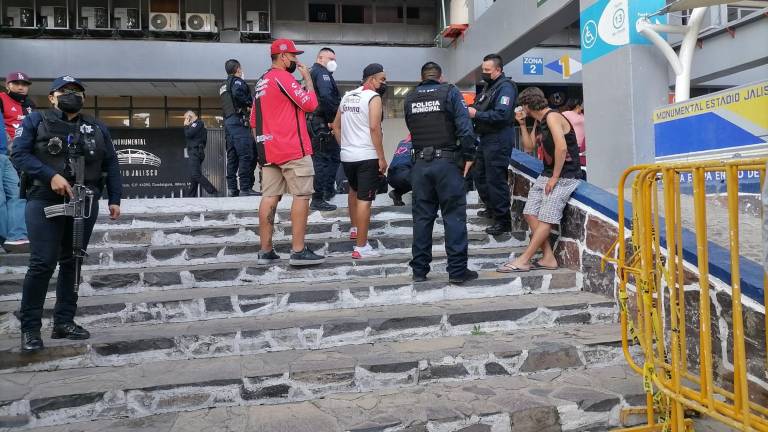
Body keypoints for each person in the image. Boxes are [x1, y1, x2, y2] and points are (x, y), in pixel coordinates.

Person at [12, 76, 122, 352]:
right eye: (64, 91)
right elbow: (20, 155)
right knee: (42, 263)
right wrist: (51, 176)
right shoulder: (35, 121)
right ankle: (30, 329)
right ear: (51, 97)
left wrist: (115, 198)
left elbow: (111, 161)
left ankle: (64, 322)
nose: (71, 95)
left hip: (85, 200)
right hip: (45, 199)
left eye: (77, 91)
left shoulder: (96, 126)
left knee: (73, 262)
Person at [251, 39, 325, 266]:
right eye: (293, 55)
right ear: (283, 57)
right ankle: (298, 250)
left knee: (269, 197)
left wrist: (263, 146)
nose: (296, 60)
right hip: (292, 148)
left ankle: (265, 250)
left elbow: (253, 121)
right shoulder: (283, 77)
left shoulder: (262, 81)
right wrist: (309, 80)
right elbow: (311, 104)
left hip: (268, 150)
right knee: (301, 195)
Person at [404, 61, 478, 284]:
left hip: (420, 165)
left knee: (422, 219)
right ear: (440, 76)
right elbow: (465, 128)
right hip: (447, 164)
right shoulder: (450, 92)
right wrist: (469, 156)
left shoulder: (410, 97)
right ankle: (456, 272)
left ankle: (419, 271)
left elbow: (410, 126)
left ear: (422, 77)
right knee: (454, 217)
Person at [497, 87, 581, 273]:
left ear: (527, 105)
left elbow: (561, 148)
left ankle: (524, 260)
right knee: (529, 213)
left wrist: (555, 177)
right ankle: (548, 258)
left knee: (546, 218)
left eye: (522, 106)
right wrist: (521, 124)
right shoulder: (539, 121)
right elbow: (528, 148)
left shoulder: (552, 117)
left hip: (565, 176)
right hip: (548, 173)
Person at [331, 63, 388, 259]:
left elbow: (335, 126)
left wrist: (345, 146)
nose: (383, 83)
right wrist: (381, 157)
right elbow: (374, 128)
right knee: (365, 199)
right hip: (366, 156)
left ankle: (355, 229)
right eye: (382, 79)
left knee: (353, 191)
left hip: (348, 157)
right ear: (372, 79)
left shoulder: (347, 96)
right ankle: (361, 247)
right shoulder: (373, 97)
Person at [468, 54, 517, 235]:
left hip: (498, 139)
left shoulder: (505, 88)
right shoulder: (490, 87)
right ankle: (491, 208)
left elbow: (502, 115)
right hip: (486, 138)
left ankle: (503, 221)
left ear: (498, 70)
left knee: (496, 180)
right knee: (479, 175)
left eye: (487, 71)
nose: (484, 73)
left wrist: (476, 115)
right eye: (483, 70)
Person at [0, 71, 35, 253]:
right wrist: (14, 148)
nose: (21, 87)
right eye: (16, 83)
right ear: (8, 85)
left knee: (18, 196)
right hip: (7, 153)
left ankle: (16, 236)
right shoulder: (1, 98)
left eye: (25, 84)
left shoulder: (30, 105)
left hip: (22, 156)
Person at [308, 47, 341, 211]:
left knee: (330, 157)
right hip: (322, 122)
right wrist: (332, 120)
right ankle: (319, 197)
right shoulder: (321, 73)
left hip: (315, 122)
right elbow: (327, 97)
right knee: (324, 160)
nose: (333, 63)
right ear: (320, 58)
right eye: (330, 59)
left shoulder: (312, 72)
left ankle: (327, 190)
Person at [220, 59, 259, 197]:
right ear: (237, 69)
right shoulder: (237, 82)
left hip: (229, 123)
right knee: (246, 155)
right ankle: (245, 188)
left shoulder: (223, 85)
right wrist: (250, 103)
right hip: (239, 123)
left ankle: (232, 189)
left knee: (232, 157)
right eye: (241, 68)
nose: (242, 71)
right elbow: (238, 94)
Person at [183, 111, 217, 197]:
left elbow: (188, 134)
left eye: (186, 118)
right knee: (193, 175)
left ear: (190, 117)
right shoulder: (197, 126)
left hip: (196, 151)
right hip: (196, 151)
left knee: (195, 174)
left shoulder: (198, 123)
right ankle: (191, 196)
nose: (186, 120)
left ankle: (212, 191)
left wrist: (186, 125)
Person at [561, 97, 586, 179]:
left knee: (583, 166)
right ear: (577, 104)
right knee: (574, 166)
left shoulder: (583, 115)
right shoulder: (566, 113)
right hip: (573, 144)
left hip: (584, 146)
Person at [387, 135, 413, 206]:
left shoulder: (402, 142)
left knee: (409, 179)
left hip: (390, 176)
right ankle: (424, 205)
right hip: (404, 174)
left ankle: (396, 193)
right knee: (425, 178)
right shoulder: (418, 144)